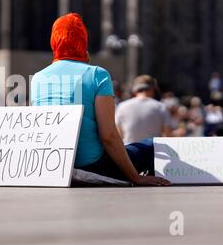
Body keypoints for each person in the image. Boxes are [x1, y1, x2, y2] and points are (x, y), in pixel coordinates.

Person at [30, 13, 170, 186]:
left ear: (54, 41)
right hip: (93, 166)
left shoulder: (37, 78)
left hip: (54, 166)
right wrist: (136, 177)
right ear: (83, 41)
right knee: (150, 145)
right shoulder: (97, 74)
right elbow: (109, 136)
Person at [116, 75, 172, 144]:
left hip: (130, 152)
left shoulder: (122, 106)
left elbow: (119, 136)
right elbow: (168, 136)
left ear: (135, 90)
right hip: (153, 153)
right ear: (153, 89)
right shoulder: (161, 107)